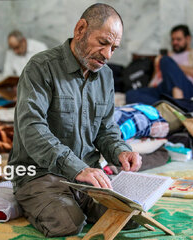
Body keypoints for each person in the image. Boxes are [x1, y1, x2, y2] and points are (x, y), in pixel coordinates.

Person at [8, 3, 142, 237]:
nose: (107, 55)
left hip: (86, 177)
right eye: (103, 43)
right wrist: (76, 168)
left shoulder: (106, 76)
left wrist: (120, 151)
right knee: (68, 223)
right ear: (80, 29)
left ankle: (75, 201)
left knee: (131, 216)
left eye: (114, 48)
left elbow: (106, 129)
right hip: (39, 174)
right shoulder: (41, 68)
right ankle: (42, 201)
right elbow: (31, 128)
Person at [126, 24, 193, 105]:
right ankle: (170, 107)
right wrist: (157, 66)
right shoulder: (168, 55)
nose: (175, 42)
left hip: (187, 90)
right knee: (131, 95)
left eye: (178, 39)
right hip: (164, 89)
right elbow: (154, 82)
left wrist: (172, 64)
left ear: (188, 39)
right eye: (173, 39)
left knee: (165, 61)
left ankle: (178, 103)